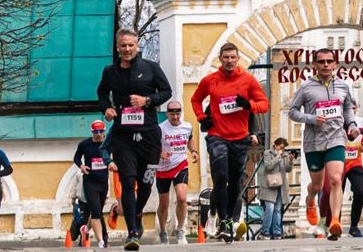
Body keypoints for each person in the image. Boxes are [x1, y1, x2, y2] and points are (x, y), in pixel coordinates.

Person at [100, 27, 177, 251]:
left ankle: (138, 212)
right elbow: (102, 92)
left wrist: (147, 100)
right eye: (123, 45)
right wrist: (107, 109)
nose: (127, 49)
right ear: (117, 47)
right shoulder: (109, 71)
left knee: (145, 184)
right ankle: (132, 231)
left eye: (130, 45)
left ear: (137, 46)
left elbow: (166, 91)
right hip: (123, 135)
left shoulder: (150, 68)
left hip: (150, 135)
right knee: (127, 181)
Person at [194, 42, 272, 241]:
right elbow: (195, 99)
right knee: (220, 175)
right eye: (226, 57)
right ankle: (225, 220)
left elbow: (264, 104)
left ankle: (226, 219)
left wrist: (248, 104)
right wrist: (202, 117)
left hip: (240, 138)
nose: (229, 61)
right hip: (217, 136)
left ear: (238, 59)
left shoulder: (248, 80)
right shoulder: (210, 80)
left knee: (235, 182)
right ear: (220, 58)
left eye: (232, 57)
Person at [289, 45, 363, 240]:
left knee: (336, 179)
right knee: (317, 184)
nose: (325, 65)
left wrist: (352, 125)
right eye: (321, 61)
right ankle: (310, 199)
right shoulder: (306, 87)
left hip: (336, 138)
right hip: (314, 141)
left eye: (329, 61)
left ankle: (335, 221)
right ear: (314, 64)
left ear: (335, 64)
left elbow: (348, 109)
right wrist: (311, 119)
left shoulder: (343, 86)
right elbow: (293, 112)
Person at [156, 99, 196, 244]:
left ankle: (180, 230)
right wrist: (160, 154)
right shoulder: (160, 128)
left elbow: (190, 139)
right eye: (172, 114)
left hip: (180, 164)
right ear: (167, 114)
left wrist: (194, 151)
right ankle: (162, 231)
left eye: (177, 114)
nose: (175, 117)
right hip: (163, 168)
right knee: (164, 204)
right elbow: (152, 146)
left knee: (182, 198)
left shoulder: (187, 126)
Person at [75, 118, 116, 248]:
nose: (98, 134)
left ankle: (86, 230)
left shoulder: (107, 144)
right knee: (96, 212)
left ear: (104, 131)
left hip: (103, 182)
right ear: (92, 132)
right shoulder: (84, 144)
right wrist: (81, 166)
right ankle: (101, 242)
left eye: (101, 132)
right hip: (90, 182)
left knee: (96, 211)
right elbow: (76, 157)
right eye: (95, 132)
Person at [258, 142, 295, 241]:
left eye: (284, 147)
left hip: (280, 186)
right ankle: (265, 232)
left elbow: (288, 169)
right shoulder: (267, 153)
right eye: (281, 147)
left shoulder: (285, 155)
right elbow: (268, 166)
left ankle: (277, 232)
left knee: (278, 210)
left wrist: (290, 161)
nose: (282, 149)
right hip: (270, 185)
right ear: (275, 145)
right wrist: (277, 156)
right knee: (269, 208)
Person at [343, 134, 363, 238]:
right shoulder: (337, 120)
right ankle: (333, 224)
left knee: (360, 192)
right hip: (339, 162)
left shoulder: (360, 123)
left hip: (355, 164)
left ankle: (354, 226)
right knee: (336, 194)